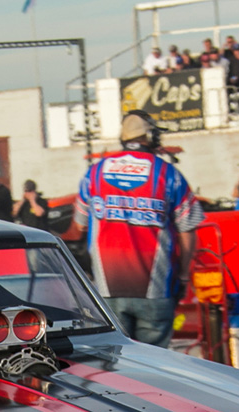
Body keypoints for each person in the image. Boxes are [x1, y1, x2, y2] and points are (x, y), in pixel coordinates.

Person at [72, 111, 204, 347]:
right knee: (154, 362)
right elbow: (188, 228)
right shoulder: (168, 174)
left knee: (118, 361)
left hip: (108, 290)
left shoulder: (95, 173)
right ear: (150, 137)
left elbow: (79, 225)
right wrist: (184, 274)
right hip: (157, 290)